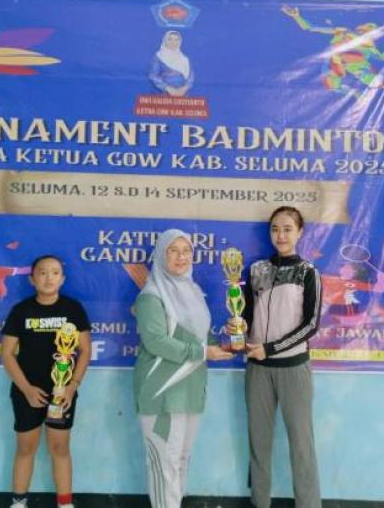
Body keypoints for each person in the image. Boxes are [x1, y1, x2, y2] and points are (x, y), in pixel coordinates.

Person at [133, 229, 232, 508]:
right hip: (162, 391)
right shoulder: (151, 296)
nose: (181, 257)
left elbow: (200, 337)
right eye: (173, 251)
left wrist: (225, 343)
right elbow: (156, 342)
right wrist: (204, 352)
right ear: (161, 255)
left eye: (186, 251)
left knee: (181, 458)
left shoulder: (193, 291)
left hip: (190, 388)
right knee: (164, 462)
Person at [243, 206, 322, 508]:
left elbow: (311, 325)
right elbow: (247, 316)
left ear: (300, 232)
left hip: (293, 369)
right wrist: (239, 328)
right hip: (258, 370)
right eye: (275, 228)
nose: (281, 235)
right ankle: (259, 502)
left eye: (288, 228)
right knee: (258, 442)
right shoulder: (256, 270)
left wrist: (271, 348)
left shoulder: (308, 273)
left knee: (301, 445)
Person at [0, 255, 91, 508]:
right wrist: (26, 389)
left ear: (62, 279)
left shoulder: (73, 309)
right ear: (32, 279)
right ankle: (19, 502)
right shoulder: (21, 311)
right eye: (42, 273)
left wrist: (72, 386)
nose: (48, 278)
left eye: (55, 273)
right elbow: (6, 354)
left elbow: (85, 351)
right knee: (25, 447)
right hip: (27, 392)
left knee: (59, 448)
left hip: (62, 392)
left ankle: (65, 503)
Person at [149, 30, 194, 97]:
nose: (173, 42)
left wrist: (184, 89)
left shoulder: (185, 59)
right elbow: (153, 75)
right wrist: (168, 88)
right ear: (165, 41)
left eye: (176, 40)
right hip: (164, 94)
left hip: (182, 94)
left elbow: (191, 76)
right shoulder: (158, 57)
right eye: (170, 39)